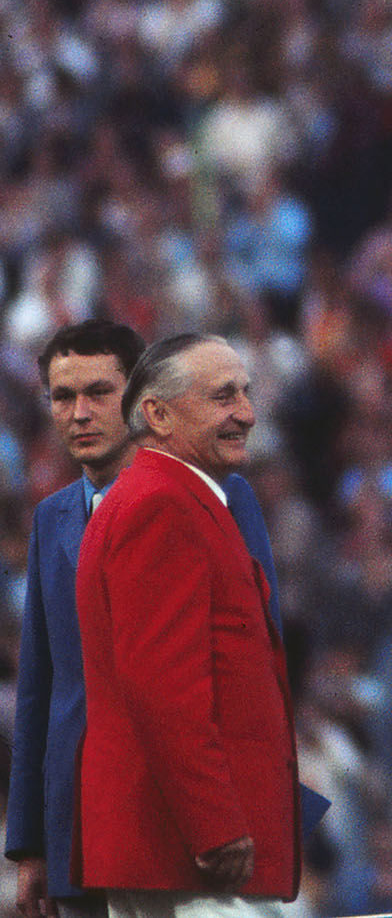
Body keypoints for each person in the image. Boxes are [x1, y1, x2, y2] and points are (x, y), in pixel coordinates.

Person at [5, 321, 287, 918]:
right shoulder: (55, 517)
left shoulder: (223, 497)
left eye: (99, 393)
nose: (80, 413)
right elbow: (42, 688)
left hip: (181, 822)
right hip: (91, 825)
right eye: (63, 397)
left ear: (141, 402)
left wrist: (256, 806)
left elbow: (253, 663)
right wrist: (30, 842)